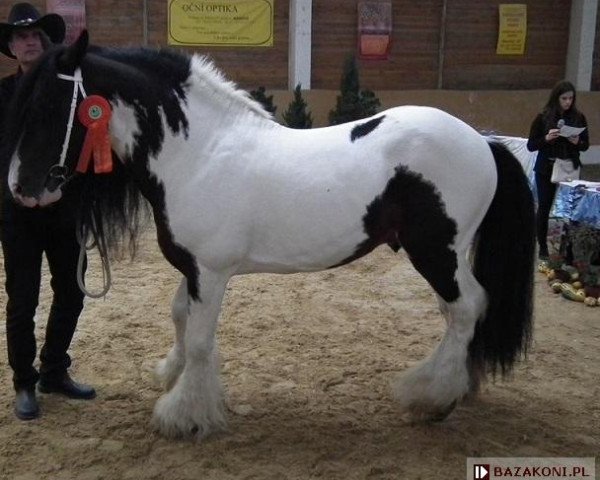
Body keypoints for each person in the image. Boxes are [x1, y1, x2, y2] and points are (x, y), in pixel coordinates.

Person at [0, 2, 95, 421]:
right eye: (21, 37)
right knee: (22, 300)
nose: (29, 42)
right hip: (17, 214)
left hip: (63, 210)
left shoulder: (67, 90)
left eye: (36, 35)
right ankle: (24, 381)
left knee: (71, 292)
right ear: (11, 46)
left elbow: (80, 149)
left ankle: (54, 369)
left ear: (45, 42)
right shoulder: (1, 94)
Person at [526, 80, 589, 260]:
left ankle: (566, 249)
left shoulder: (578, 118)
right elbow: (531, 145)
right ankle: (543, 247)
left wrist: (577, 142)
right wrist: (546, 138)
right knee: (544, 206)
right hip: (547, 167)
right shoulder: (543, 117)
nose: (568, 102)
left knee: (569, 210)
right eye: (564, 98)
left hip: (568, 167)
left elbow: (585, 145)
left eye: (571, 98)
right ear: (556, 98)